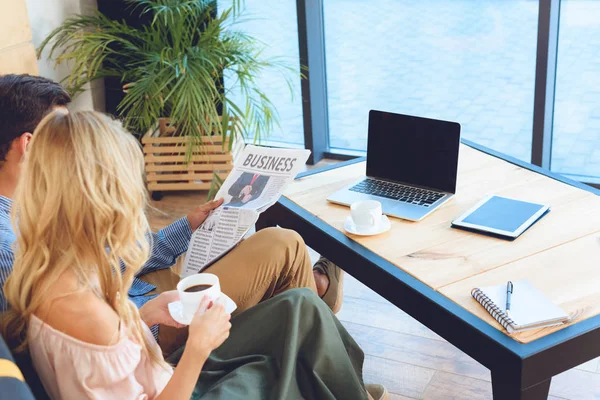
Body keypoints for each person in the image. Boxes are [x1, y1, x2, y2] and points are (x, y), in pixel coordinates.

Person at [1, 111, 388, 400]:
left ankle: (342, 383)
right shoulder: (86, 313)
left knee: (300, 304)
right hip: (180, 385)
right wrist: (199, 347)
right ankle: (339, 383)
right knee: (280, 352)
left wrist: (142, 315)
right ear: (105, 199)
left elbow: (102, 359)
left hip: (159, 370)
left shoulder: (52, 269)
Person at [0, 74, 344, 349]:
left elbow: (101, 266)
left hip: (141, 289)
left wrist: (184, 229)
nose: (73, 146)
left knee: (258, 248)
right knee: (283, 244)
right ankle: (322, 315)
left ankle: (322, 334)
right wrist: (156, 317)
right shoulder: (9, 244)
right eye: (63, 134)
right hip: (149, 326)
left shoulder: (31, 206)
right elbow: (77, 336)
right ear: (30, 146)